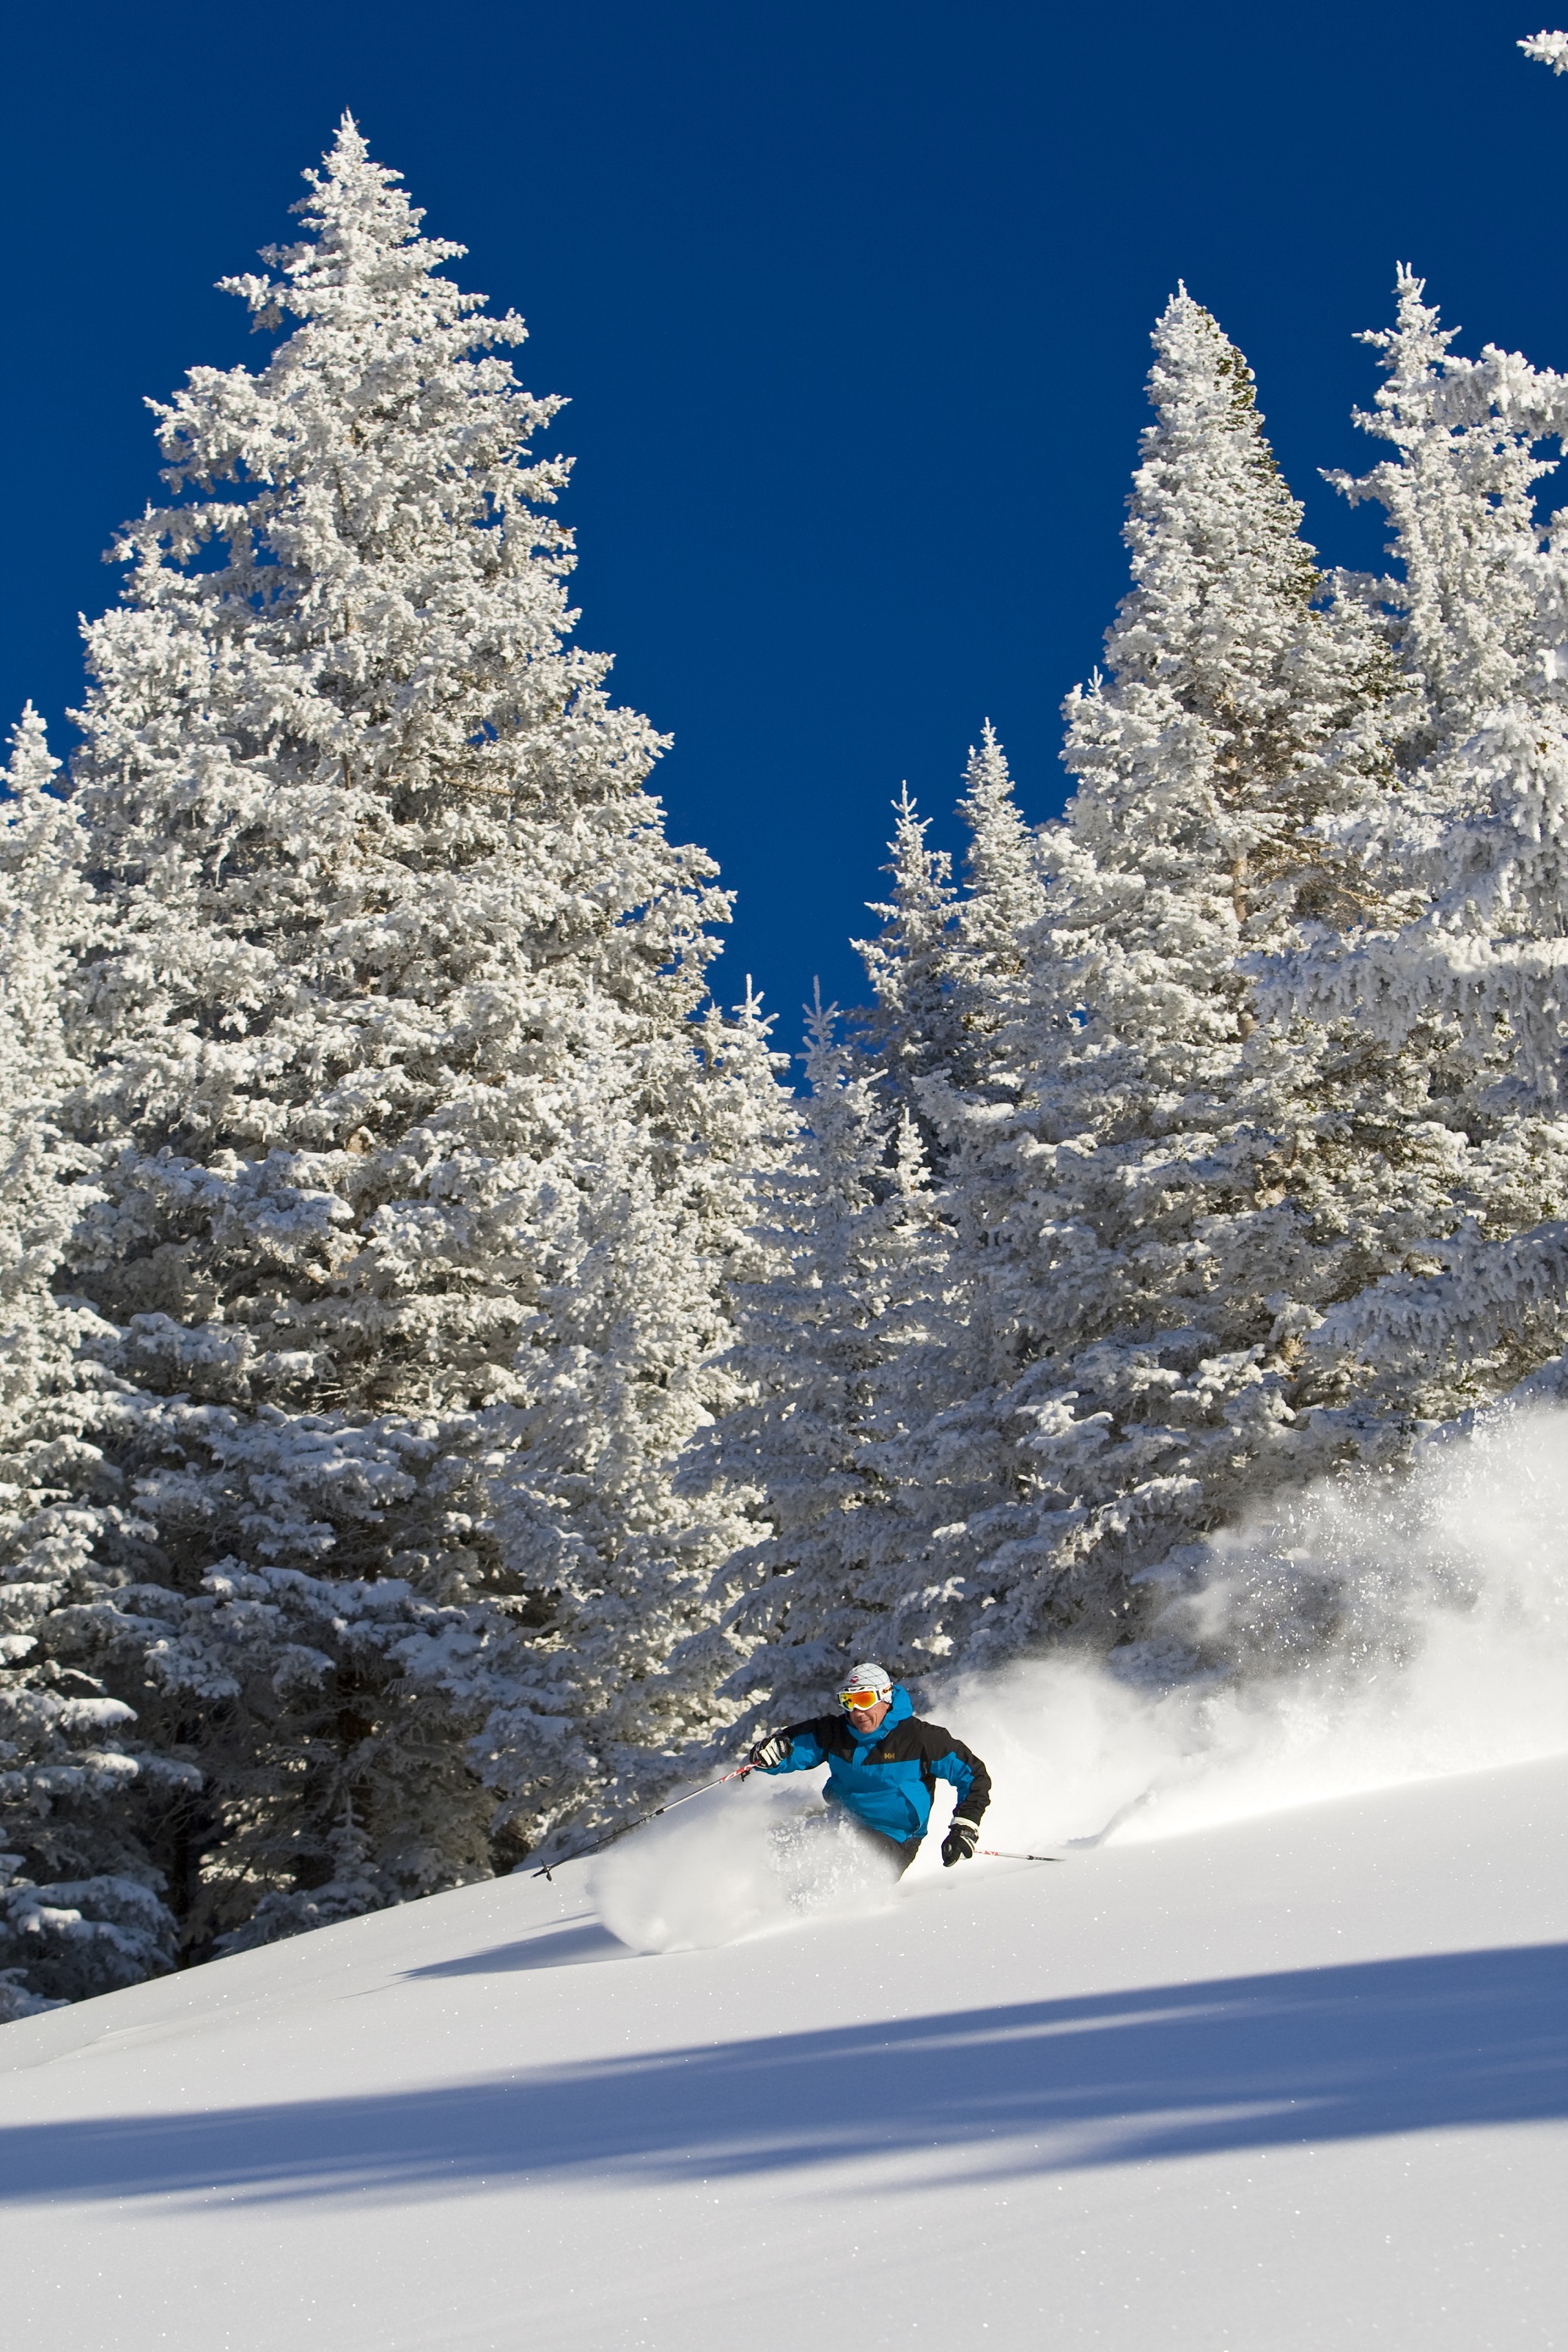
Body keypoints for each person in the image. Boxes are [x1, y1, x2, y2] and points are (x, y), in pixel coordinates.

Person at [747, 1662, 991, 1872]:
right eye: (848, 1701)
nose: (857, 1711)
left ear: (885, 1697)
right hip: (839, 1820)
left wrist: (964, 1826)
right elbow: (793, 1749)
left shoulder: (919, 1739)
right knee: (779, 1837)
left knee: (839, 1858)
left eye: (864, 1700)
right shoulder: (835, 1732)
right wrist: (770, 1755)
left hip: (894, 1838)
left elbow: (973, 1775)